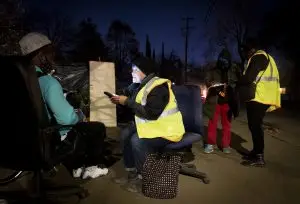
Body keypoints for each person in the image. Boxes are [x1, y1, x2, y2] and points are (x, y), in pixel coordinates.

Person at [19, 32, 108, 179]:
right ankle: (93, 166)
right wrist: (79, 116)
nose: (53, 57)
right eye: (51, 53)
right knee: (96, 127)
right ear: (41, 56)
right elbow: (67, 120)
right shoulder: (48, 82)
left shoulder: (19, 81)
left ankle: (77, 166)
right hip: (47, 143)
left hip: (23, 142)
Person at [110, 56, 185, 193]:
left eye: (134, 70)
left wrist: (126, 102)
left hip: (168, 130)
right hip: (153, 125)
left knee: (137, 141)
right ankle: (132, 174)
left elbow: (151, 113)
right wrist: (120, 101)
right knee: (126, 133)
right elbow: (135, 107)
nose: (131, 73)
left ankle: (145, 178)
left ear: (143, 71)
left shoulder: (158, 87)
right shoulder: (141, 86)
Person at [238, 38, 281, 167]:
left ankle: (259, 157)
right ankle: (256, 152)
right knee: (254, 125)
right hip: (266, 95)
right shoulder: (268, 57)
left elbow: (249, 78)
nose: (245, 54)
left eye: (246, 51)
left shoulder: (258, 57)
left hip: (259, 96)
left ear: (251, 50)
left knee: (255, 126)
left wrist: (237, 80)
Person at [203, 49, 240, 154]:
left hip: (227, 102)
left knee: (227, 125)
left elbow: (237, 83)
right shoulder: (212, 70)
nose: (223, 62)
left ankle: (225, 145)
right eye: (221, 60)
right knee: (212, 123)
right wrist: (215, 85)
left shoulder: (232, 71)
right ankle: (210, 144)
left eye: (226, 60)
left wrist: (232, 84)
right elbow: (207, 81)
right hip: (215, 101)